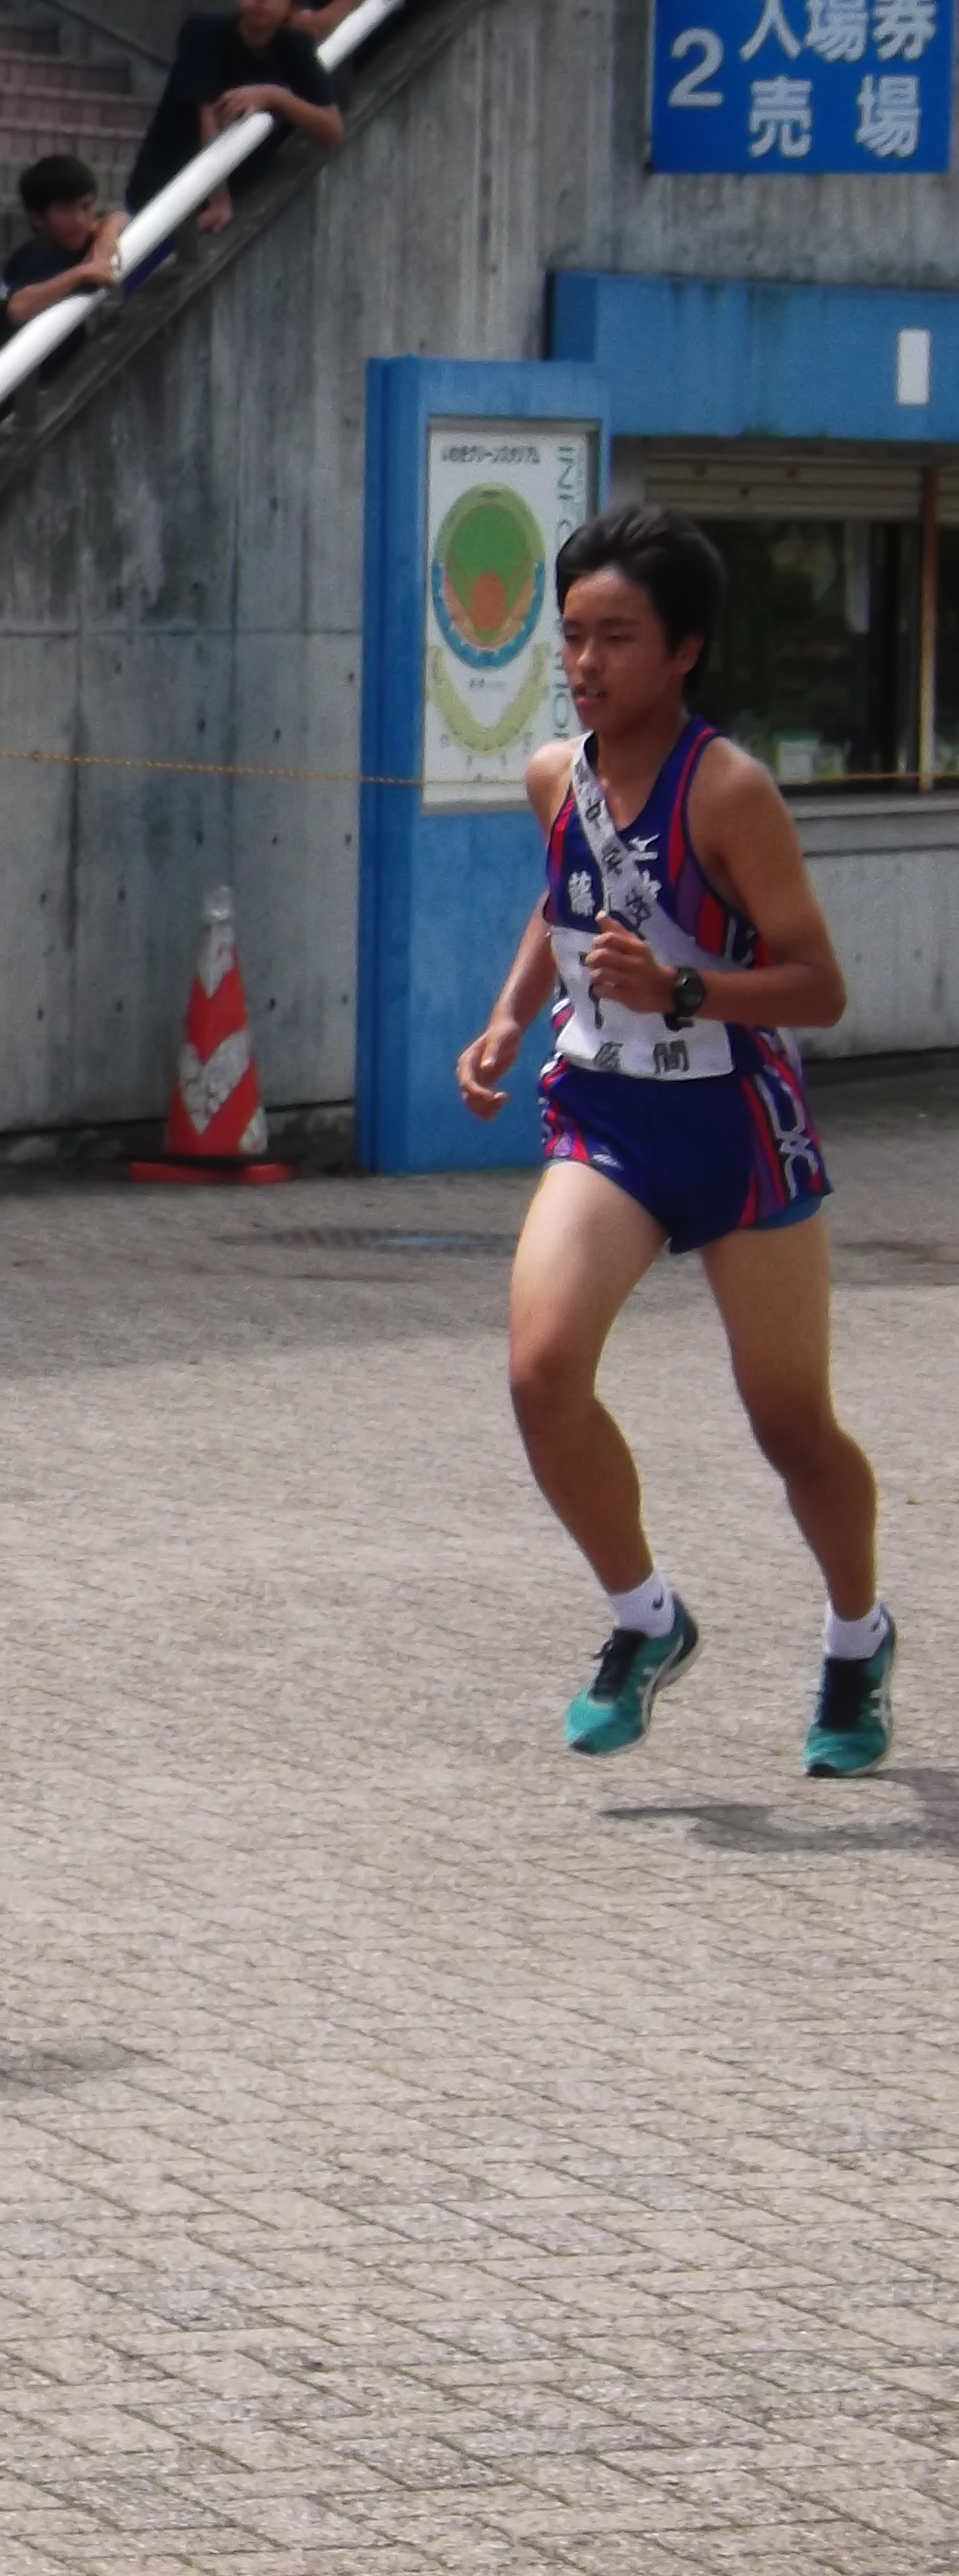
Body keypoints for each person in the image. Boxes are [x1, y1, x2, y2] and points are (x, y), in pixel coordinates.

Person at [453, 505, 889, 1780]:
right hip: (607, 1119)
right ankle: (646, 1618)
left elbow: (819, 987)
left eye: (617, 638)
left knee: (791, 1424)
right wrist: (508, 1016)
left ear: (684, 649)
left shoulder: (729, 791)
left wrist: (685, 988)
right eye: (572, 635)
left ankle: (857, 1636)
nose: (585, 663)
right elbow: (563, 899)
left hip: (736, 1128)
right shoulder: (556, 774)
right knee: (541, 1372)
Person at [123, 0, 347, 236]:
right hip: (164, 180)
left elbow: (332, 130)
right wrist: (219, 199)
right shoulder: (205, 30)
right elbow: (208, 116)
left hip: (239, 185)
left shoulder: (294, 47)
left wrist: (274, 96)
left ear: (295, 6)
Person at [0, 156, 125, 331]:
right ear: (37, 218)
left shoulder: (71, 242)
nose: (80, 220)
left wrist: (102, 250)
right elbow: (17, 308)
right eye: (66, 210)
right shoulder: (38, 254)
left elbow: (117, 218)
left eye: (86, 207)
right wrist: (81, 274)